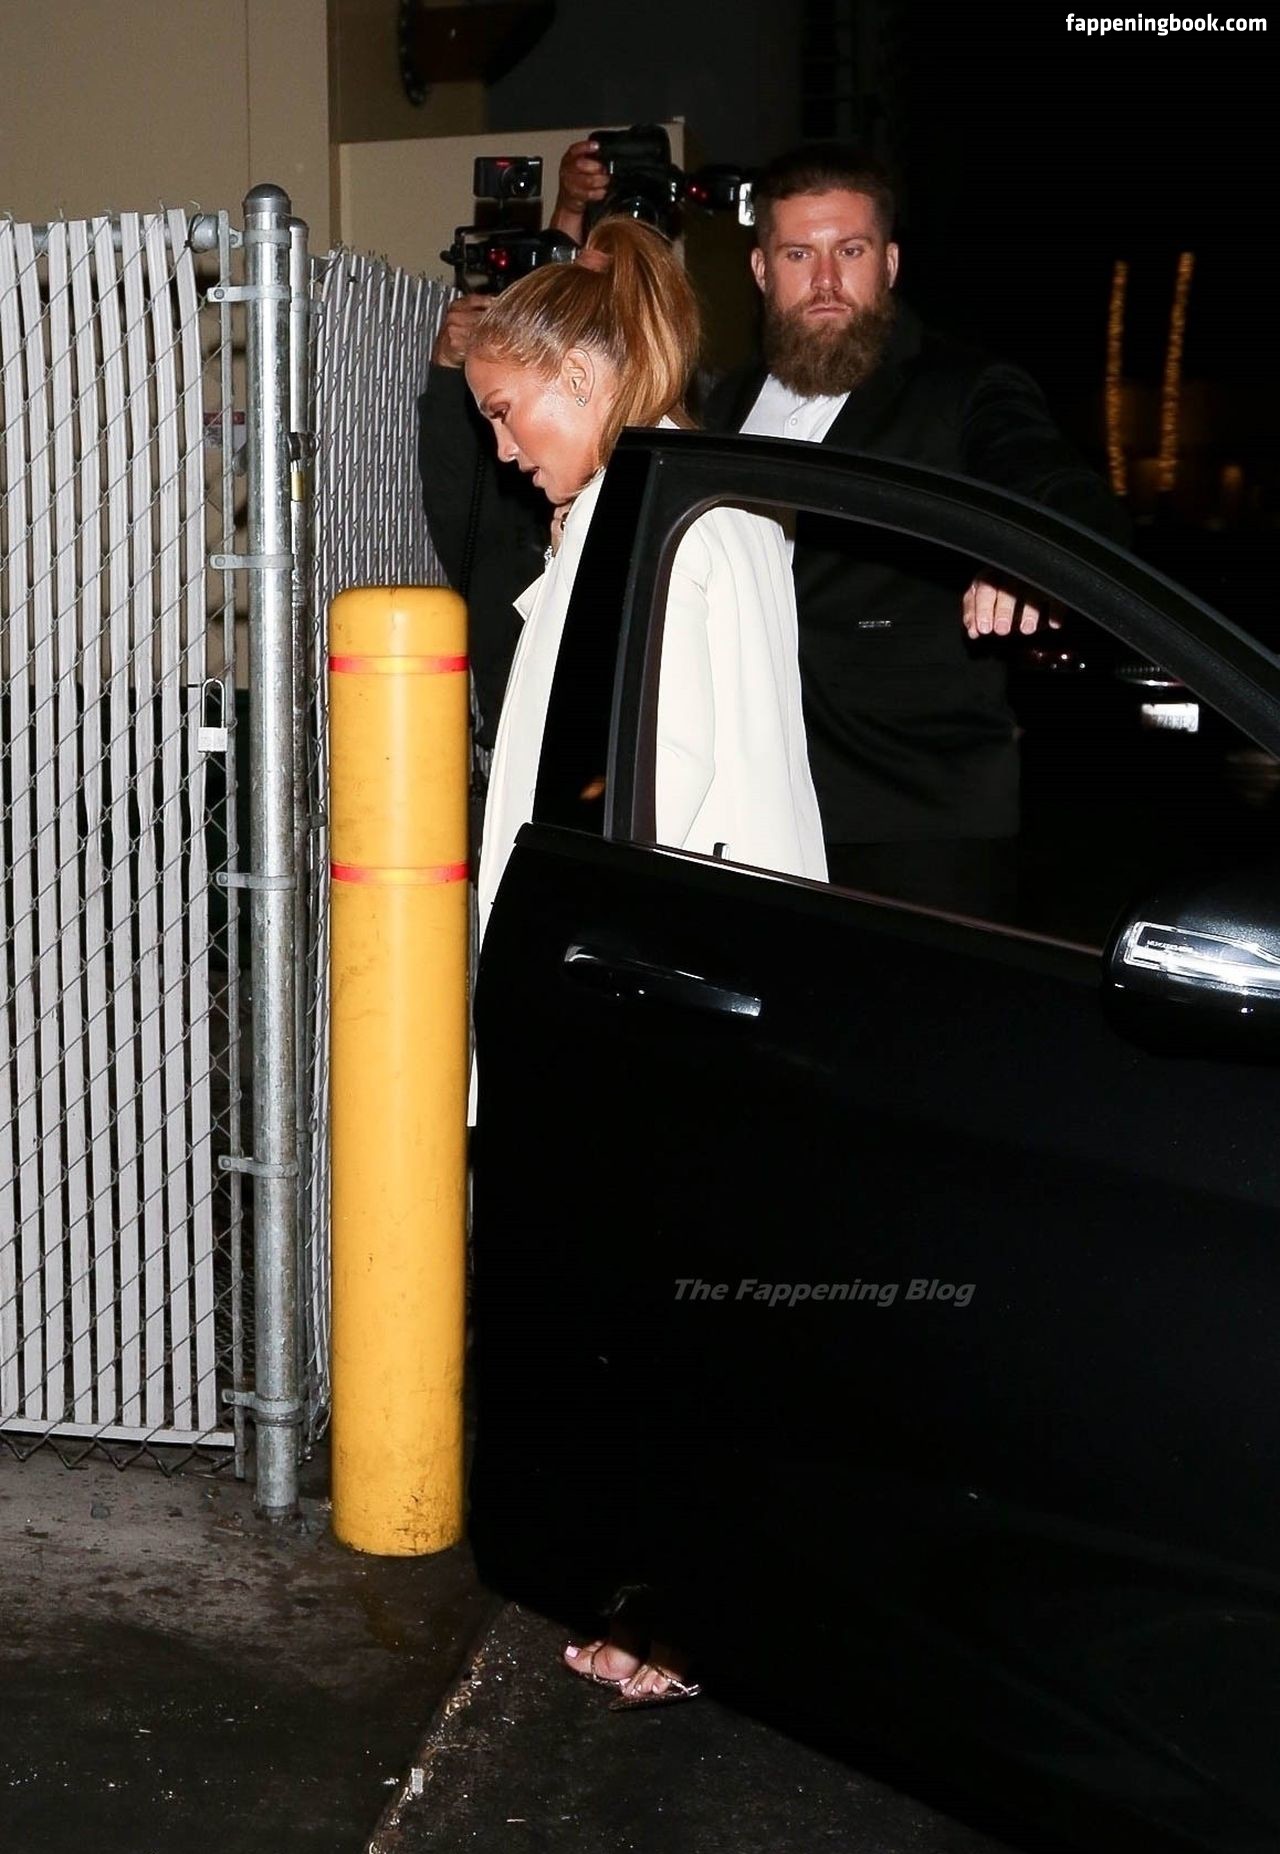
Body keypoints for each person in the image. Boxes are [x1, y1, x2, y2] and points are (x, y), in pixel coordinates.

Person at [464, 214, 826, 1700]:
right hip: (628, 996)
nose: (500, 450)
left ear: (586, 375)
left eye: (509, 411)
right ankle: (652, 1596)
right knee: (631, 1330)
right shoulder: (630, 514)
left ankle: (684, 1622)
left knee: (675, 1335)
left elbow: (703, 799)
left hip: (666, 1005)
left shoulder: (691, 525)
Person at [704, 143, 1130, 917]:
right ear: (762, 271)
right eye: (799, 254)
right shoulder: (726, 405)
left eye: (851, 251)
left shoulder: (961, 388)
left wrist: (1027, 554)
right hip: (747, 811)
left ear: (890, 264)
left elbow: (1062, 490)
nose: (826, 280)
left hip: (914, 823)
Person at [417, 141, 612, 759]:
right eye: (492, 418)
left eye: (504, 412)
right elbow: (453, 480)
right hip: (517, 740)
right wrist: (450, 368)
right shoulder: (501, 510)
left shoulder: (644, 484)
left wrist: (572, 211)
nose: (506, 448)